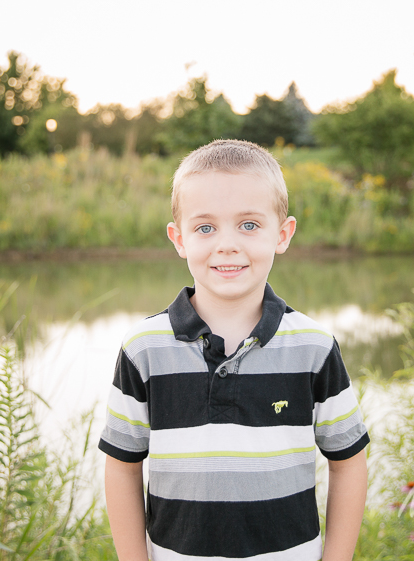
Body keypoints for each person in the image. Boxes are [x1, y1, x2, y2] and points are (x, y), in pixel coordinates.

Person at [100, 139, 368, 560]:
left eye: (248, 225)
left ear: (282, 234)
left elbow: (348, 462)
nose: (227, 244)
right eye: (205, 228)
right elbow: (121, 466)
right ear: (179, 239)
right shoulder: (143, 350)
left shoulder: (314, 348)